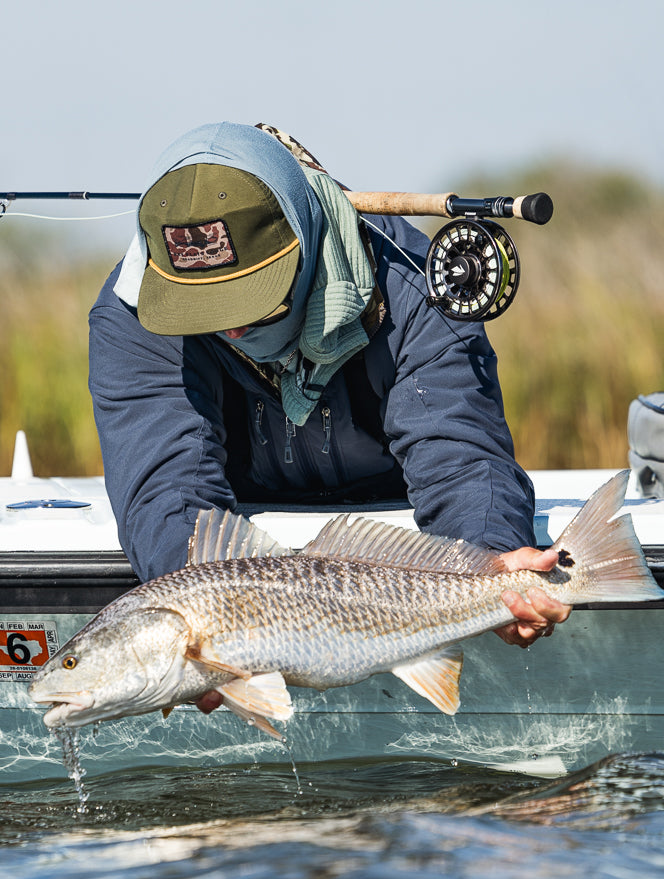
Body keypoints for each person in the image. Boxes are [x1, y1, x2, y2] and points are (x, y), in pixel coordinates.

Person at [89, 121, 570, 718]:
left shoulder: (414, 281)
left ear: (306, 245)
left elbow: (460, 456)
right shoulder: (135, 314)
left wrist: (493, 561)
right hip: (242, 550)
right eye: (205, 308)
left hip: (402, 547)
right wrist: (208, 645)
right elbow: (165, 487)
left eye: (252, 296)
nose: (233, 328)